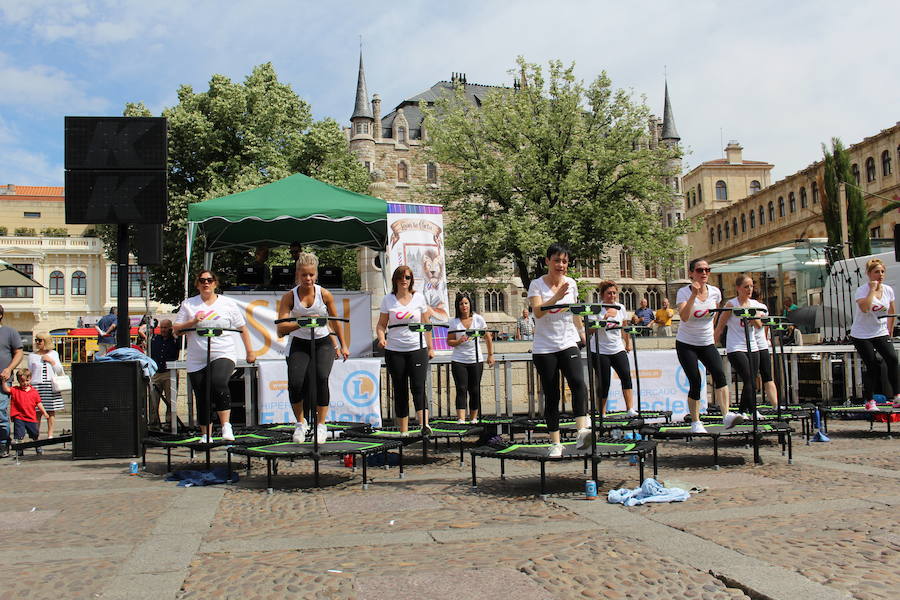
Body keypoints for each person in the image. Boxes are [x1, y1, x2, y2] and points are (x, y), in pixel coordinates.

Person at [173, 270, 256, 443]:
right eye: (202, 280)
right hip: (197, 356)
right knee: (202, 394)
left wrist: (250, 351)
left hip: (222, 351)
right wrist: (193, 321)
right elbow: (177, 330)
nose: (206, 283)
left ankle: (226, 425)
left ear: (215, 284)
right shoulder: (189, 304)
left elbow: (242, 328)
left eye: (210, 280)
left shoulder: (227, 304)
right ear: (197, 284)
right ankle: (206, 434)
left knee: (218, 382)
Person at [276, 252, 349, 444]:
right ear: (297, 275)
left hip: (322, 341)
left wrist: (343, 345)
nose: (307, 279)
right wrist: (302, 323)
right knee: (296, 383)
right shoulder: (289, 297)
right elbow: (281, 328)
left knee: (321, 377)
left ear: (316, 275)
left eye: (311, 275)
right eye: (304, 275)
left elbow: (335, 322)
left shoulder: (324, 294)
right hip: (299, 343)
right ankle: (300, 423)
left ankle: (321, 424)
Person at [528, 243, 589, 458]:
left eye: (564, 261)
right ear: (547, 261)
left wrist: (581, 332)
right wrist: (555, 297)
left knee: (578, 382)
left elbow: (574, 312)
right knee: (552, 394)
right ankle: (555, 443)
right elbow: (538, 312)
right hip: (545, 347)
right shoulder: (536, 284)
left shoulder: (571, 283)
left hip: (567, 341)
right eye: (557, 260)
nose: (561, 265)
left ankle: (581, 430)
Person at [676, 258, 739, 433]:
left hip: (706, 342)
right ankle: (696, 422)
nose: (704, 273)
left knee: (720, 374)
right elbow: (685, 317)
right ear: (691, 273)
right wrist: (693, 296)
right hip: (686, 343)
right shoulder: (683, 292)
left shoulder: (715, 292)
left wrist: (713, 334)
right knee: (695, 380)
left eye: (707, 270)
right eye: (699, 270)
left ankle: (726, 415)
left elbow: (714, 315)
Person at [376, 266, 434, 436]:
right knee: (400, 389)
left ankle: (424, 425)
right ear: (395, 280)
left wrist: (430, 347)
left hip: (417, 347)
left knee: (418, 387)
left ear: (411, 280)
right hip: (395, 349)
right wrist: (381, 338)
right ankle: (404, 430)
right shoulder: (388, 299)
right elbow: (381, 324)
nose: (404, 280)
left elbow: (426, 324)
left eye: (407, 277)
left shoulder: (419, 298)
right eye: (401, 277)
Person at [849, 258, 899, 410]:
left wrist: (889, 331)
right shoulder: (862, 290)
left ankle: (897, 395)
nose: (880, 275)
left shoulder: (888, 290)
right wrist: (872, 290)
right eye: (876, 272)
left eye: (882, 271)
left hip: (880, 331)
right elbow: (865, 308)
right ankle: (870, 400)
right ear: (869, 274)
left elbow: (891, 312)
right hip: (862, 334)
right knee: (872, 365)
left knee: (892, 359)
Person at [714, 275, 764, 421]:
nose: (749, 290)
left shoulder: (754, 303)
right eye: (746, 287)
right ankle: (751, 409)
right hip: (735, 346)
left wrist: (752, 314)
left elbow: (759, 326)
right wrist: (712, 344)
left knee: (752, 380)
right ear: (738, 288)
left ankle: (744, 411)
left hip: (752, 346)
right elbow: (720, 326)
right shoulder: (731, 304)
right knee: (747, 377)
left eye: (751, 287)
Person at [589, 281, 637, 418]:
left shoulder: (620, 307)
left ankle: (630, 409)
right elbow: (590, 329)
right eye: (609, 293)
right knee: (604, 382)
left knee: (626, 376)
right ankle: (602, 412)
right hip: (600, 350)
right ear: (603, 294)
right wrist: (604, 319)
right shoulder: (596, 308)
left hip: (617, 347)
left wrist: (627, 343)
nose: (612, 296)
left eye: (614, 293)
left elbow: (624, 327)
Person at [447, 295, 494, 424]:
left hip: (475, 359)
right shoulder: (453, 322)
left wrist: (490, 355)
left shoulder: (478, 319)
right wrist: (458, 341)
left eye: (466, 303)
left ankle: (473, 417)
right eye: (461, 304)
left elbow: (488, 338)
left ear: (470, 304)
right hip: (459, 360)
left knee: (474, 389)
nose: (464, 306)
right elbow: (449, 341)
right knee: (461, 388)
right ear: (458, 306)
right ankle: (461, 418)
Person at [1, 368, 48, 456]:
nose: (25, 383)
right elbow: (6, 389)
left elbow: (39, 403)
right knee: (19, 435)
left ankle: (38, 446)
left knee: (35, 434)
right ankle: (20, 449)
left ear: (30, 379)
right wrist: (3, 382)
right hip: (19, 417)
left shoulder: (34, 392)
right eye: (22, 381)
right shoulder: (15, 390)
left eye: (27, 380)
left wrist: (44, 412)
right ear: (18, 381)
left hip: (31, 417)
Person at [27, 333, 65, 439]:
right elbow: (29, 372)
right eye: (36, 340)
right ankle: (35, 436)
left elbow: (60, 371)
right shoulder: (31, 356)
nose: (37, 342)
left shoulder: (54, 354)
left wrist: (51, 361)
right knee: (37, 412)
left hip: (50, 385)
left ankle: (50, 435)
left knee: (51, 411)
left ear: (46, 341)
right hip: (36, 386)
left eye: (40, 340)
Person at [148, 319, 182, 429]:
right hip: (156, 373)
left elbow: (182, 344)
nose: (163, 330)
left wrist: (174, 334)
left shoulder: (176, 340)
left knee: (170, 400)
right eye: (161, 327)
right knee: (153, 400)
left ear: (170, 328)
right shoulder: (154, 339)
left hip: (169, 373)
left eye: (165, 327)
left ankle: (170, 422)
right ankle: (154, 423)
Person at [0, 304, 24, 457]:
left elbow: (19, 353)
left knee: (0, 412)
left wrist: (9, 369)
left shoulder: (9, 332)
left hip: (2, 379)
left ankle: (3, 443)